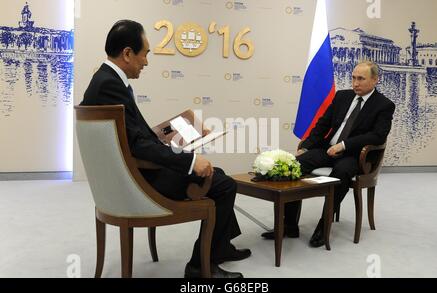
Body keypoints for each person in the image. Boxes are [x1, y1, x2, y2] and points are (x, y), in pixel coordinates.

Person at [81, 20, 251, 278]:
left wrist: (183, 134)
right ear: (127, 53)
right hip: (142, 182)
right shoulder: (109, 85)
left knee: (218, 175)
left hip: (128, 176)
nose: (147, 62)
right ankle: (199, 267)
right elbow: (138, 145)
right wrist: (191, 160)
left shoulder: (103, 81)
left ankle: (221, 245)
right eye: (145, 53)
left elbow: (133, 136)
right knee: (223, 183)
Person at [262, 61, 395, 247]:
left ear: (375, 80)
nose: (355, 83)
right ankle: (289, 225)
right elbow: (323, 124)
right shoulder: (342, 96)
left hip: (354, 156)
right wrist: (306, 147)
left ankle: (324, 226)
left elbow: (378, 135)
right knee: (294, 166)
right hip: (327, 149)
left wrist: (344, 145)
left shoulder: (384, 105)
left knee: (340, 175)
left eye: (361, 79)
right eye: (354, 78)